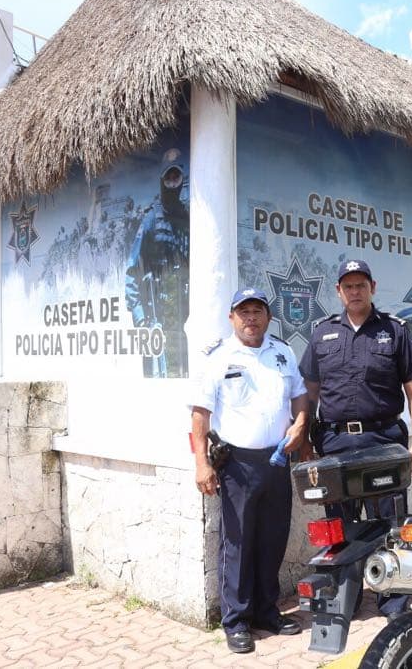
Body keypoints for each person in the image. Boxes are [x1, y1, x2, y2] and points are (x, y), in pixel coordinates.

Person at [299, 259, 412, 619]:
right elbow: (309, 393)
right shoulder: (322, 333)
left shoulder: (394, 330)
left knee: (390, 524)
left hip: (383, 440)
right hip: (335, 444)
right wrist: (304, 440)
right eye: (348, 286)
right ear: (339, 291)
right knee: (338, 528)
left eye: (361, 285)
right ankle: (346, 599)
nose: (355, 291)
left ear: (372, 287)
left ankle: (395, 603)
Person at [189, 288, 309, 654]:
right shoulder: (217, 357)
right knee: (238, 544)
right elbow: (199, 412)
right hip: (237, 464)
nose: (251, 318)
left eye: (258, 311)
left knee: (272, 540)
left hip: (277, 460)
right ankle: (236, 621)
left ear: (268, 318)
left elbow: (300, 394)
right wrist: (201, 463)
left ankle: (266, 612)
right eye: (244, 312)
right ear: (232, 318)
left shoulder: (282, 353)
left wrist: (302, 424)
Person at [125, 150, 190, 378]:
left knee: (184, 372)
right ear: (162, 181)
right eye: (168, 178)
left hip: (182, 314)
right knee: (157, 374)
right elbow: (132, 269)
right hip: (156, 315)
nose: (173, 183)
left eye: (177, 178)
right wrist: (140, 315)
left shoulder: (188, 219)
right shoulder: (151, 218)